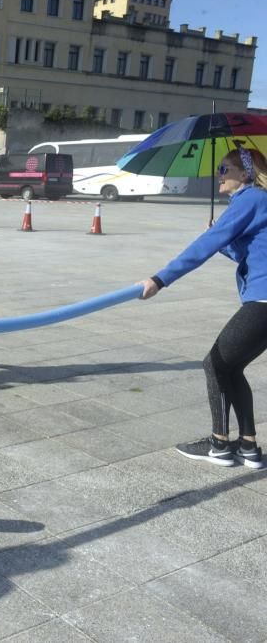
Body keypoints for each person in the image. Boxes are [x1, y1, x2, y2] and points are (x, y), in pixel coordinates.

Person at [140, 148, 267, 468]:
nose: (218, 175)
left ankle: (220, 444)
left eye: (224, 169)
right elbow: (249, 253)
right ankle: (249, 446)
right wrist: (221, 236)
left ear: (244, 173)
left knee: (215, 364)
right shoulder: (259, 200)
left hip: (263, 301)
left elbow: (202, 248)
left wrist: (160, 279)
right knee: (231, 366)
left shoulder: (251, 198)